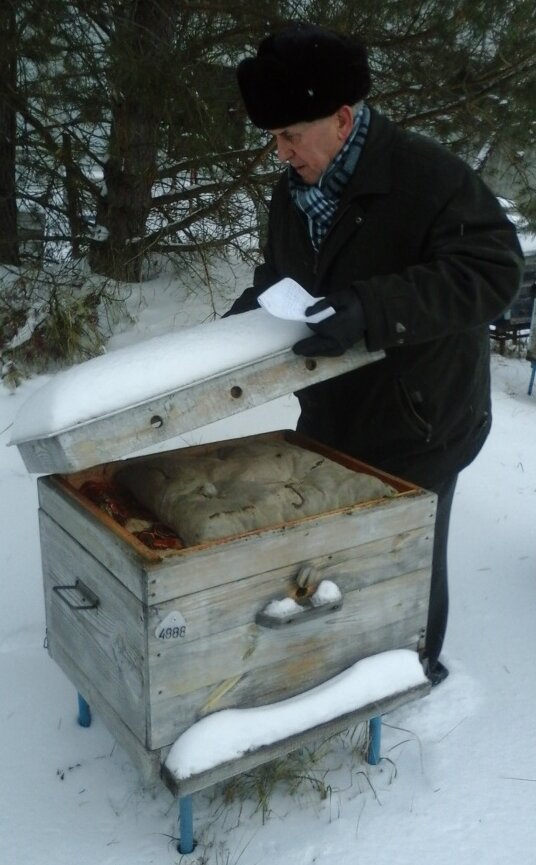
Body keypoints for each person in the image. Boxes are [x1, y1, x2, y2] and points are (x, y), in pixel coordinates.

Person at [226, 23, 524, 685]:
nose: (280, 153)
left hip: (422, 417)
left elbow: (494, 271)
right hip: (333, 412)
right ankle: (338, 666)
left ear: (340, 117)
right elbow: (285, 272)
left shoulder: (429, 177)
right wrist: (252, 308)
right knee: (332, 550)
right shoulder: (294, 192)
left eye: (289, 135)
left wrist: (374, 308)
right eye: (273, 138)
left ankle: (413, 674)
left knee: (403, 556)